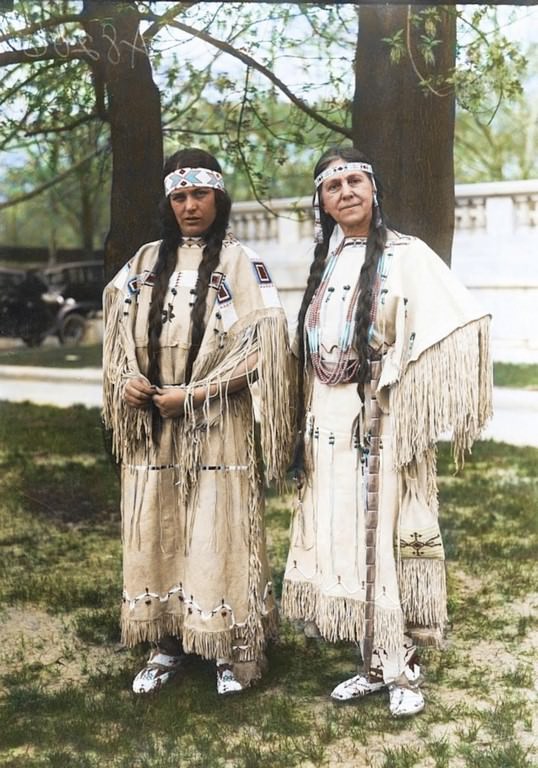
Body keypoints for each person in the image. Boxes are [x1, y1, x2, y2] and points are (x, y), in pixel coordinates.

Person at [282, 146, 492, 716]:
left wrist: (405, 396)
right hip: (327, 419)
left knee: (382, 534)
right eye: (333, 186)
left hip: (382, 417)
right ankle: (371, 660)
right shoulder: (326, 261)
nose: (345, 191)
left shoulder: (407, 255)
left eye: (354, 180)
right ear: (322, 203)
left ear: (373, 189)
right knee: (345, 535)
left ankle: (401, 666)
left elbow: (458, 322)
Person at [102, 148, 294, 695]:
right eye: (180, 196)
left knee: (215, 529)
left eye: (200, 195)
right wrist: (126, 380)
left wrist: (196, 393)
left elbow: (267, 353)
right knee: (159, 527)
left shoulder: (242, 262)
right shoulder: (142, 263)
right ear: (169, 202)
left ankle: (226, 645)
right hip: (153, 428)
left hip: (214, 426)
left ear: (219, 198)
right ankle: (168, 641)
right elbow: (116, 339)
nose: (190, 206)